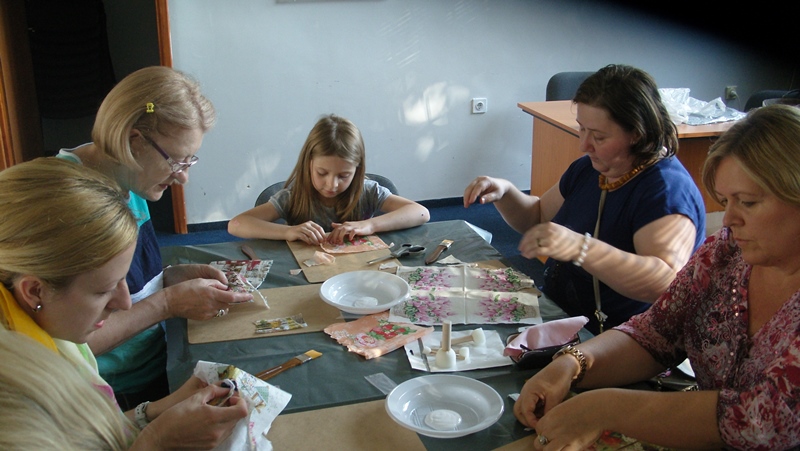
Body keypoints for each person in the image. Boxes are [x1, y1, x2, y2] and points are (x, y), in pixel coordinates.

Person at [513, 104, 800, 450]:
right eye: (726, 201)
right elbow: (657, 332)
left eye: (748, 202)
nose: (728, 220)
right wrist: (573, 363)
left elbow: (763, 419)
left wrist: (605, 409)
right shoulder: (726, 254)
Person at [0, 158, 248, 449]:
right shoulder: (17, 403)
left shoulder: (51, 329)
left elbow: (92, 433)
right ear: (35, 291)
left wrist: (159, 410)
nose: (125, 302)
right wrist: (156, 441)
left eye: (123, 280)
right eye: (104, 291)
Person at [56, 66, 252, 410]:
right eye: (176, 161)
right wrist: (167, 303)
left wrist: (169, 277)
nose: (183, 177)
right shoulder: (68, 208)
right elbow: (68, 343)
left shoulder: (125, 174)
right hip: (115, 392)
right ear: (134, 141)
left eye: (189, 161)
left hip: (161, 353)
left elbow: (124, 283)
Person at [463, 64, 706, 334]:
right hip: (567, 314)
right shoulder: (591, 168)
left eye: (599, 137)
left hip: (621, 336)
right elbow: (539, 217)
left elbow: (664, 282)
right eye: (581, 129)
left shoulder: (666, 191)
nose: (584, 145)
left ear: (637, 134)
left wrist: (581, 248)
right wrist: (506, 192)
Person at [228, 114, 430, 245]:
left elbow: (421, 212)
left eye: (343, 176)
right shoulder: (292, 197)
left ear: (357, 169)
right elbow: (236, 224)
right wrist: (288, 231)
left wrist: (369, 225)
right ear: (308, 164)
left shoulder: (368, 191)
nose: (332, 184)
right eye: (322, 173)